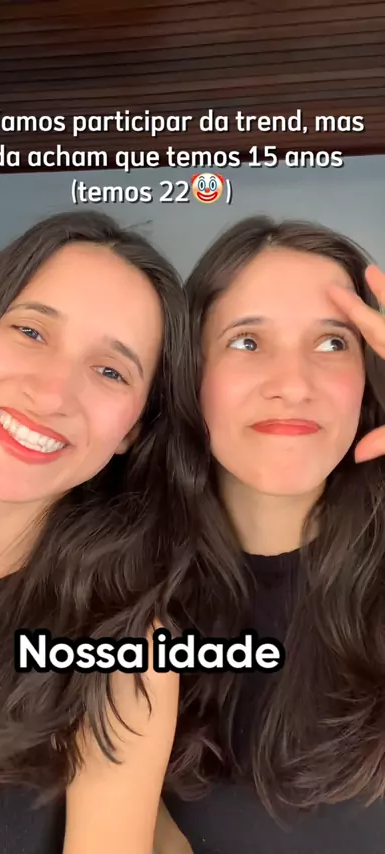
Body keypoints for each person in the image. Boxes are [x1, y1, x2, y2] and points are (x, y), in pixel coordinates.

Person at [0, 211, 204, 854]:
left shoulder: (125, 655)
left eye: (111, 371)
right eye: (32, 331)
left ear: (132, 430)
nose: (50, 394)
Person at [160, 216, 385, 854]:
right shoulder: (119, 579)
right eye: (247, 341)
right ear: (191, 372)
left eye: (333, 343)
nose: (292, 384)